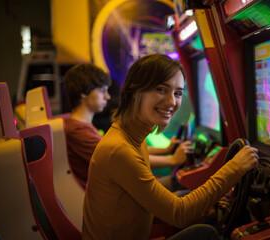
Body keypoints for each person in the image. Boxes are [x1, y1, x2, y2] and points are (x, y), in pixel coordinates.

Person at [82, 54, 259, 239]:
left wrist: (203, 209)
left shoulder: (132, 136)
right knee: (206, 234)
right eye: (161, 89)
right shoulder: (118, 149)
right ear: (135, 90)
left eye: (178, 93)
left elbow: (139, 208)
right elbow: (179, 214)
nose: (171, 102)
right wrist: (235, 168)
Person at [63, 63, 191, 189]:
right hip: (112, 195)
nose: (107, 97)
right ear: (83, 93)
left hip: (118, 186)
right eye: (102, 91)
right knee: (181, 185)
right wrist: (173, 160)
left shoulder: (81, 126)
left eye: (177, 93)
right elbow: (125, 161)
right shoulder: (79, 131)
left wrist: (166, 151)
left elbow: (129, 149)